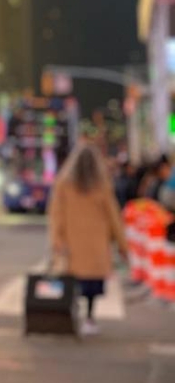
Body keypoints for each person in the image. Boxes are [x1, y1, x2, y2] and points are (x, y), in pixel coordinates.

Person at [47, 144, 128, 336]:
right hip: (97, 244)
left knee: (71, 282)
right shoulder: (102, 184)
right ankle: (90, 318)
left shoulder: (63, 183)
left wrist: (56, 240)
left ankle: (71, 313)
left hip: (72, 242)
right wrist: (122, 244)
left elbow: (56, 214)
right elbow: (113, 215)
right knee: (92, 286)